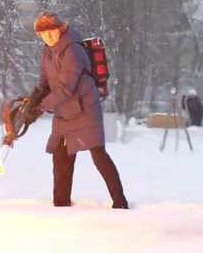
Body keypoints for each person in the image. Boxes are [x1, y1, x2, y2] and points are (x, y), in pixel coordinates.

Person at [26, 11, 128, 209]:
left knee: (98, 155)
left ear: (60, 29)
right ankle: (61, 205)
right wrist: (32, 101)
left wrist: (40, 108)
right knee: (60, 155)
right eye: (43, 34)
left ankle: (120, 202)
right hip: (64, 112)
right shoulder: (47, 52)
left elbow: (66, 87)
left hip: (85, 109)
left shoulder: (73, 49)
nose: (48, 37)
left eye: (51, 31)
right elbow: (44, 84)